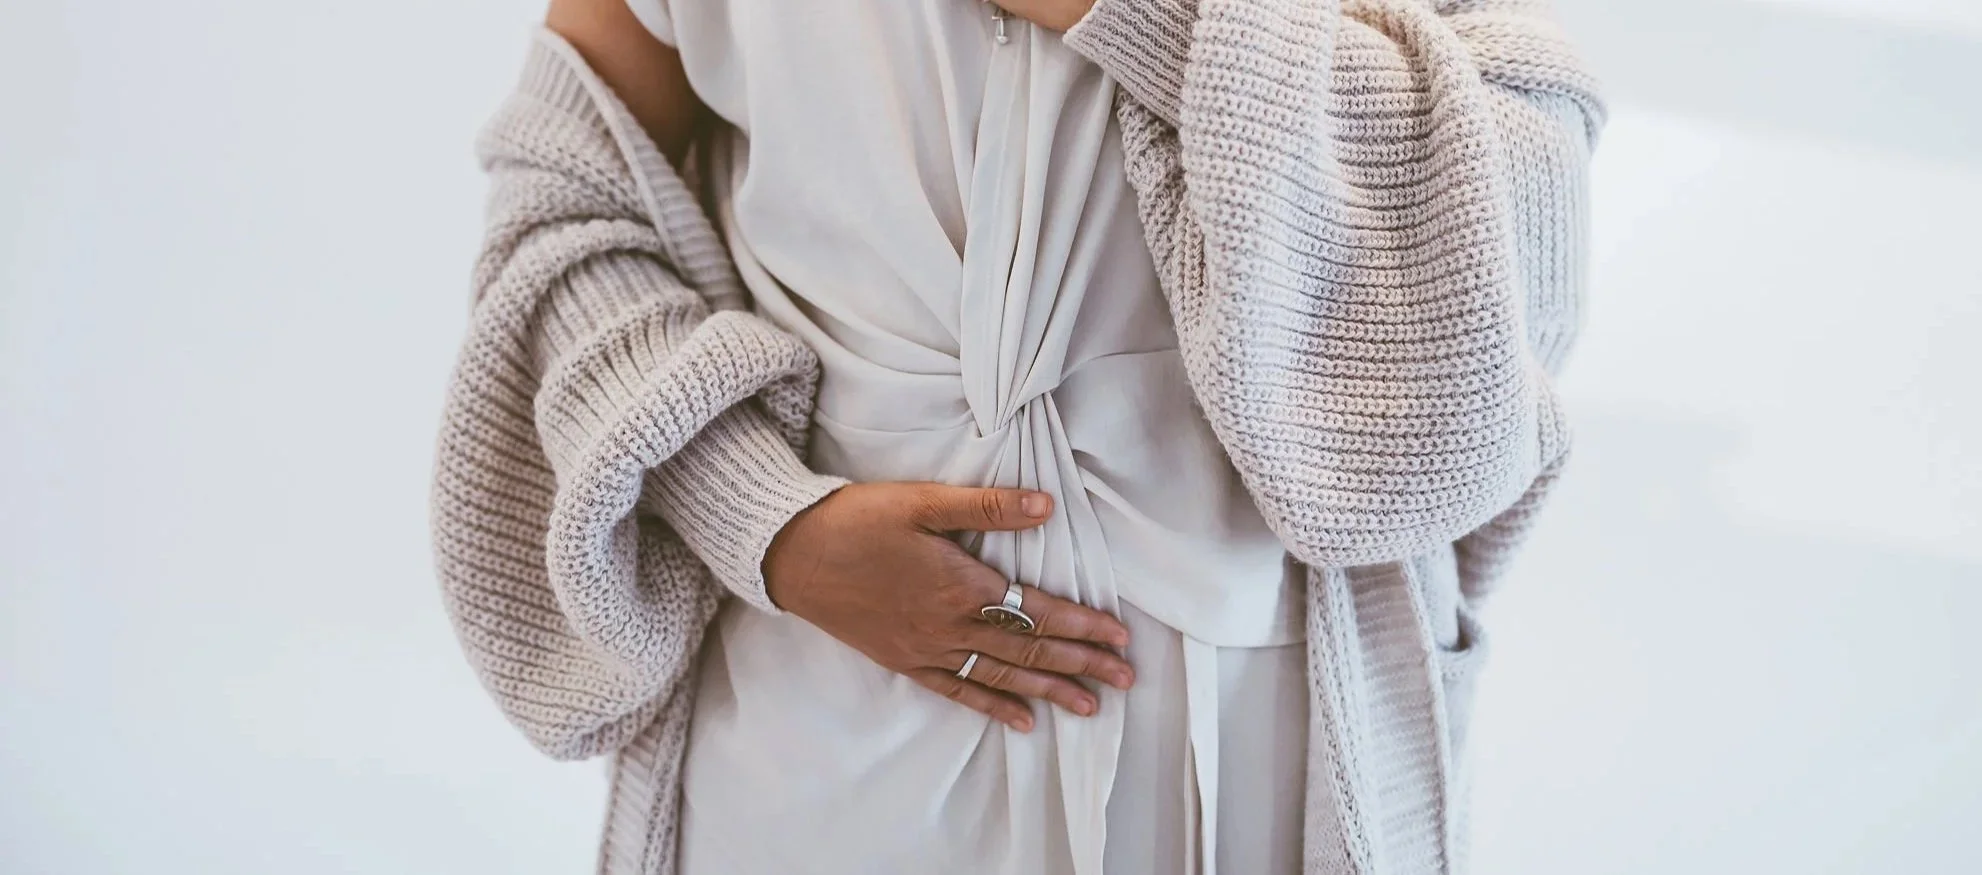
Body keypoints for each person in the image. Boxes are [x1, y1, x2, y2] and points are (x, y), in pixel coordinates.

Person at [429, 1, 1603, 873]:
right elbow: (559, 196)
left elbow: (1526, 232)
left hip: (1261, 731)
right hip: (819, 728)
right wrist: (763, 522)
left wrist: (1141, 13)